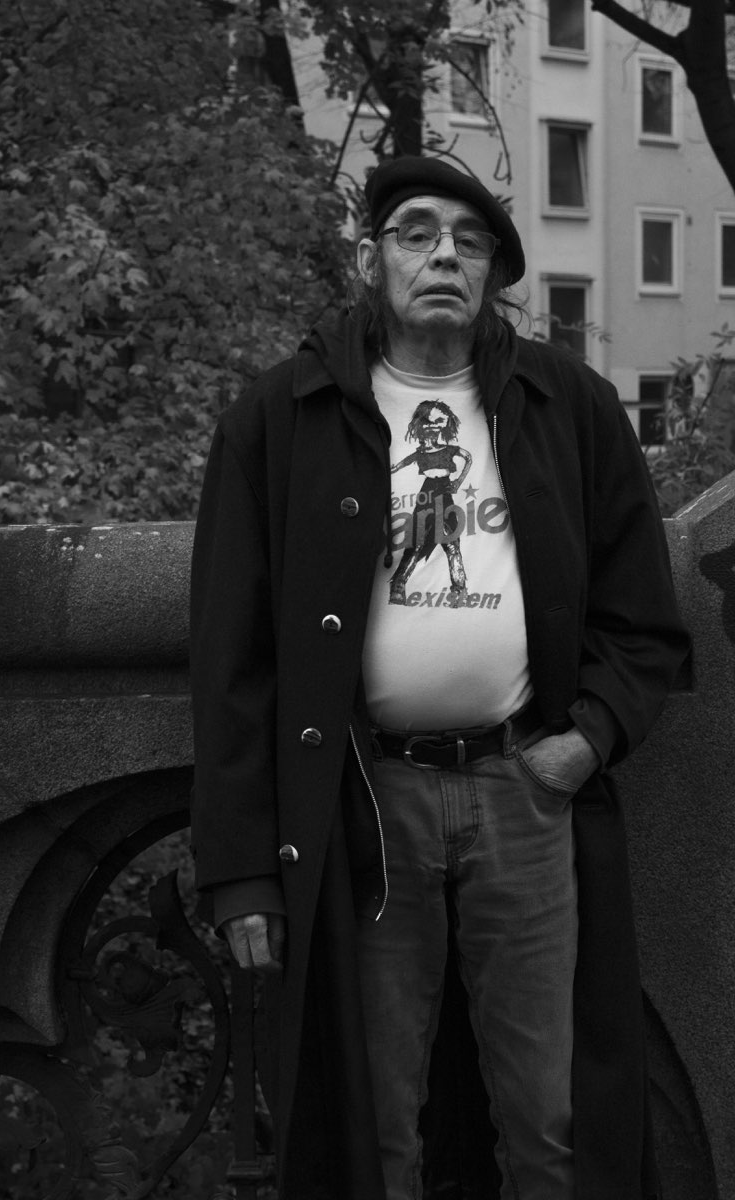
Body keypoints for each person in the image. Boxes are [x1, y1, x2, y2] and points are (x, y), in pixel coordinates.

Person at [189, 155, 689, 1200]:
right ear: (370, 259)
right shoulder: (282, 416)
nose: (443, 257)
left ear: (493, 272)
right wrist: (239, 870)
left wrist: (585, 741)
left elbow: (642, 615)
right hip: (366, 807)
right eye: (416, 234)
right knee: (376, 1124)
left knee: (551, 1121)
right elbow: (231, 662)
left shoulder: (570, 405)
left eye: (469, 241)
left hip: (524, 791)